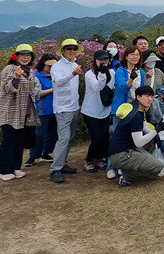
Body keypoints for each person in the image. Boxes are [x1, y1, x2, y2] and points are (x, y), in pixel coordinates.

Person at [0, 44, 41, 180]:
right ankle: (4, 171)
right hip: (10, 112)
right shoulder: (9, 69)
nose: (25, 57)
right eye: (22, 55)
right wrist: (16, 77)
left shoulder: (29, 71)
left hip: (24, 113)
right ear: (16, 56)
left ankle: (15, 168)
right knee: (9, 142)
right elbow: (6, 89)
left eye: (28, 55)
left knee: (19, 142)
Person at [108, 86, 164, 187]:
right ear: (138, 97)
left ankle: (135, 164)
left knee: (151, 140)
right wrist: (156, 131)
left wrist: (155, 135)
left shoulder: (136, 109)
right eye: (146, 96)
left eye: (151, 96)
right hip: (121, 155)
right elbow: (139, 143)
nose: (150, 99)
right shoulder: (135, 115)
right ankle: (124, 173)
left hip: (125, 149)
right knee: (158, 168)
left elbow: (144, 128)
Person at [49, 39, 83, 183]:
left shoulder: (75, 64)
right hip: (62, 108)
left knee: (70, 138)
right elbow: (59, 82)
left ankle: (62, 163)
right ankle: (55, 169)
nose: (72, 51)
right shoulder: (56, 67)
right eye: (68, 48)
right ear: (63, 51)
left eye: (74, 48)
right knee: (63, 138)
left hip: (74, 107)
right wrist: (72, 74)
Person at [108, 45, 145, 179]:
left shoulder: (141, 72)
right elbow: (123, 88)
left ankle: (127, 166)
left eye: (137, 54)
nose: (135, 57)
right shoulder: (120, 71)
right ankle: (111, 167)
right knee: (117, 139)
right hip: (121, 110)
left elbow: (142, 92)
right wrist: (131, 78)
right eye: (132, 54)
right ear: (126, 56)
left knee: (133, 138)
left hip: (134, 110)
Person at [81, 50, 114, 172]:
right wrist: (102, 73)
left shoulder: (112, 72)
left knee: (104, 137)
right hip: (90, 111)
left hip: (104, 110)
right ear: (95, 61)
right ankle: (89, 159)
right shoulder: (89, 74)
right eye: (100, 60)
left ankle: (100, 158)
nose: (103, 62)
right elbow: (98, 87)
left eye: (105, 59)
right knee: (97, 137)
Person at [25, 53, 57, 167]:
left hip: (55, 110)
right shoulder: (37, 76)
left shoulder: (56, 76)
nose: (51, 68)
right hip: (42, 110)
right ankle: (33, 156)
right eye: (49, 66)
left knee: (53, 134)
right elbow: (36, 93)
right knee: (39, 134)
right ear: (43, 64)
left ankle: (46, 153)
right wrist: (52, 90)